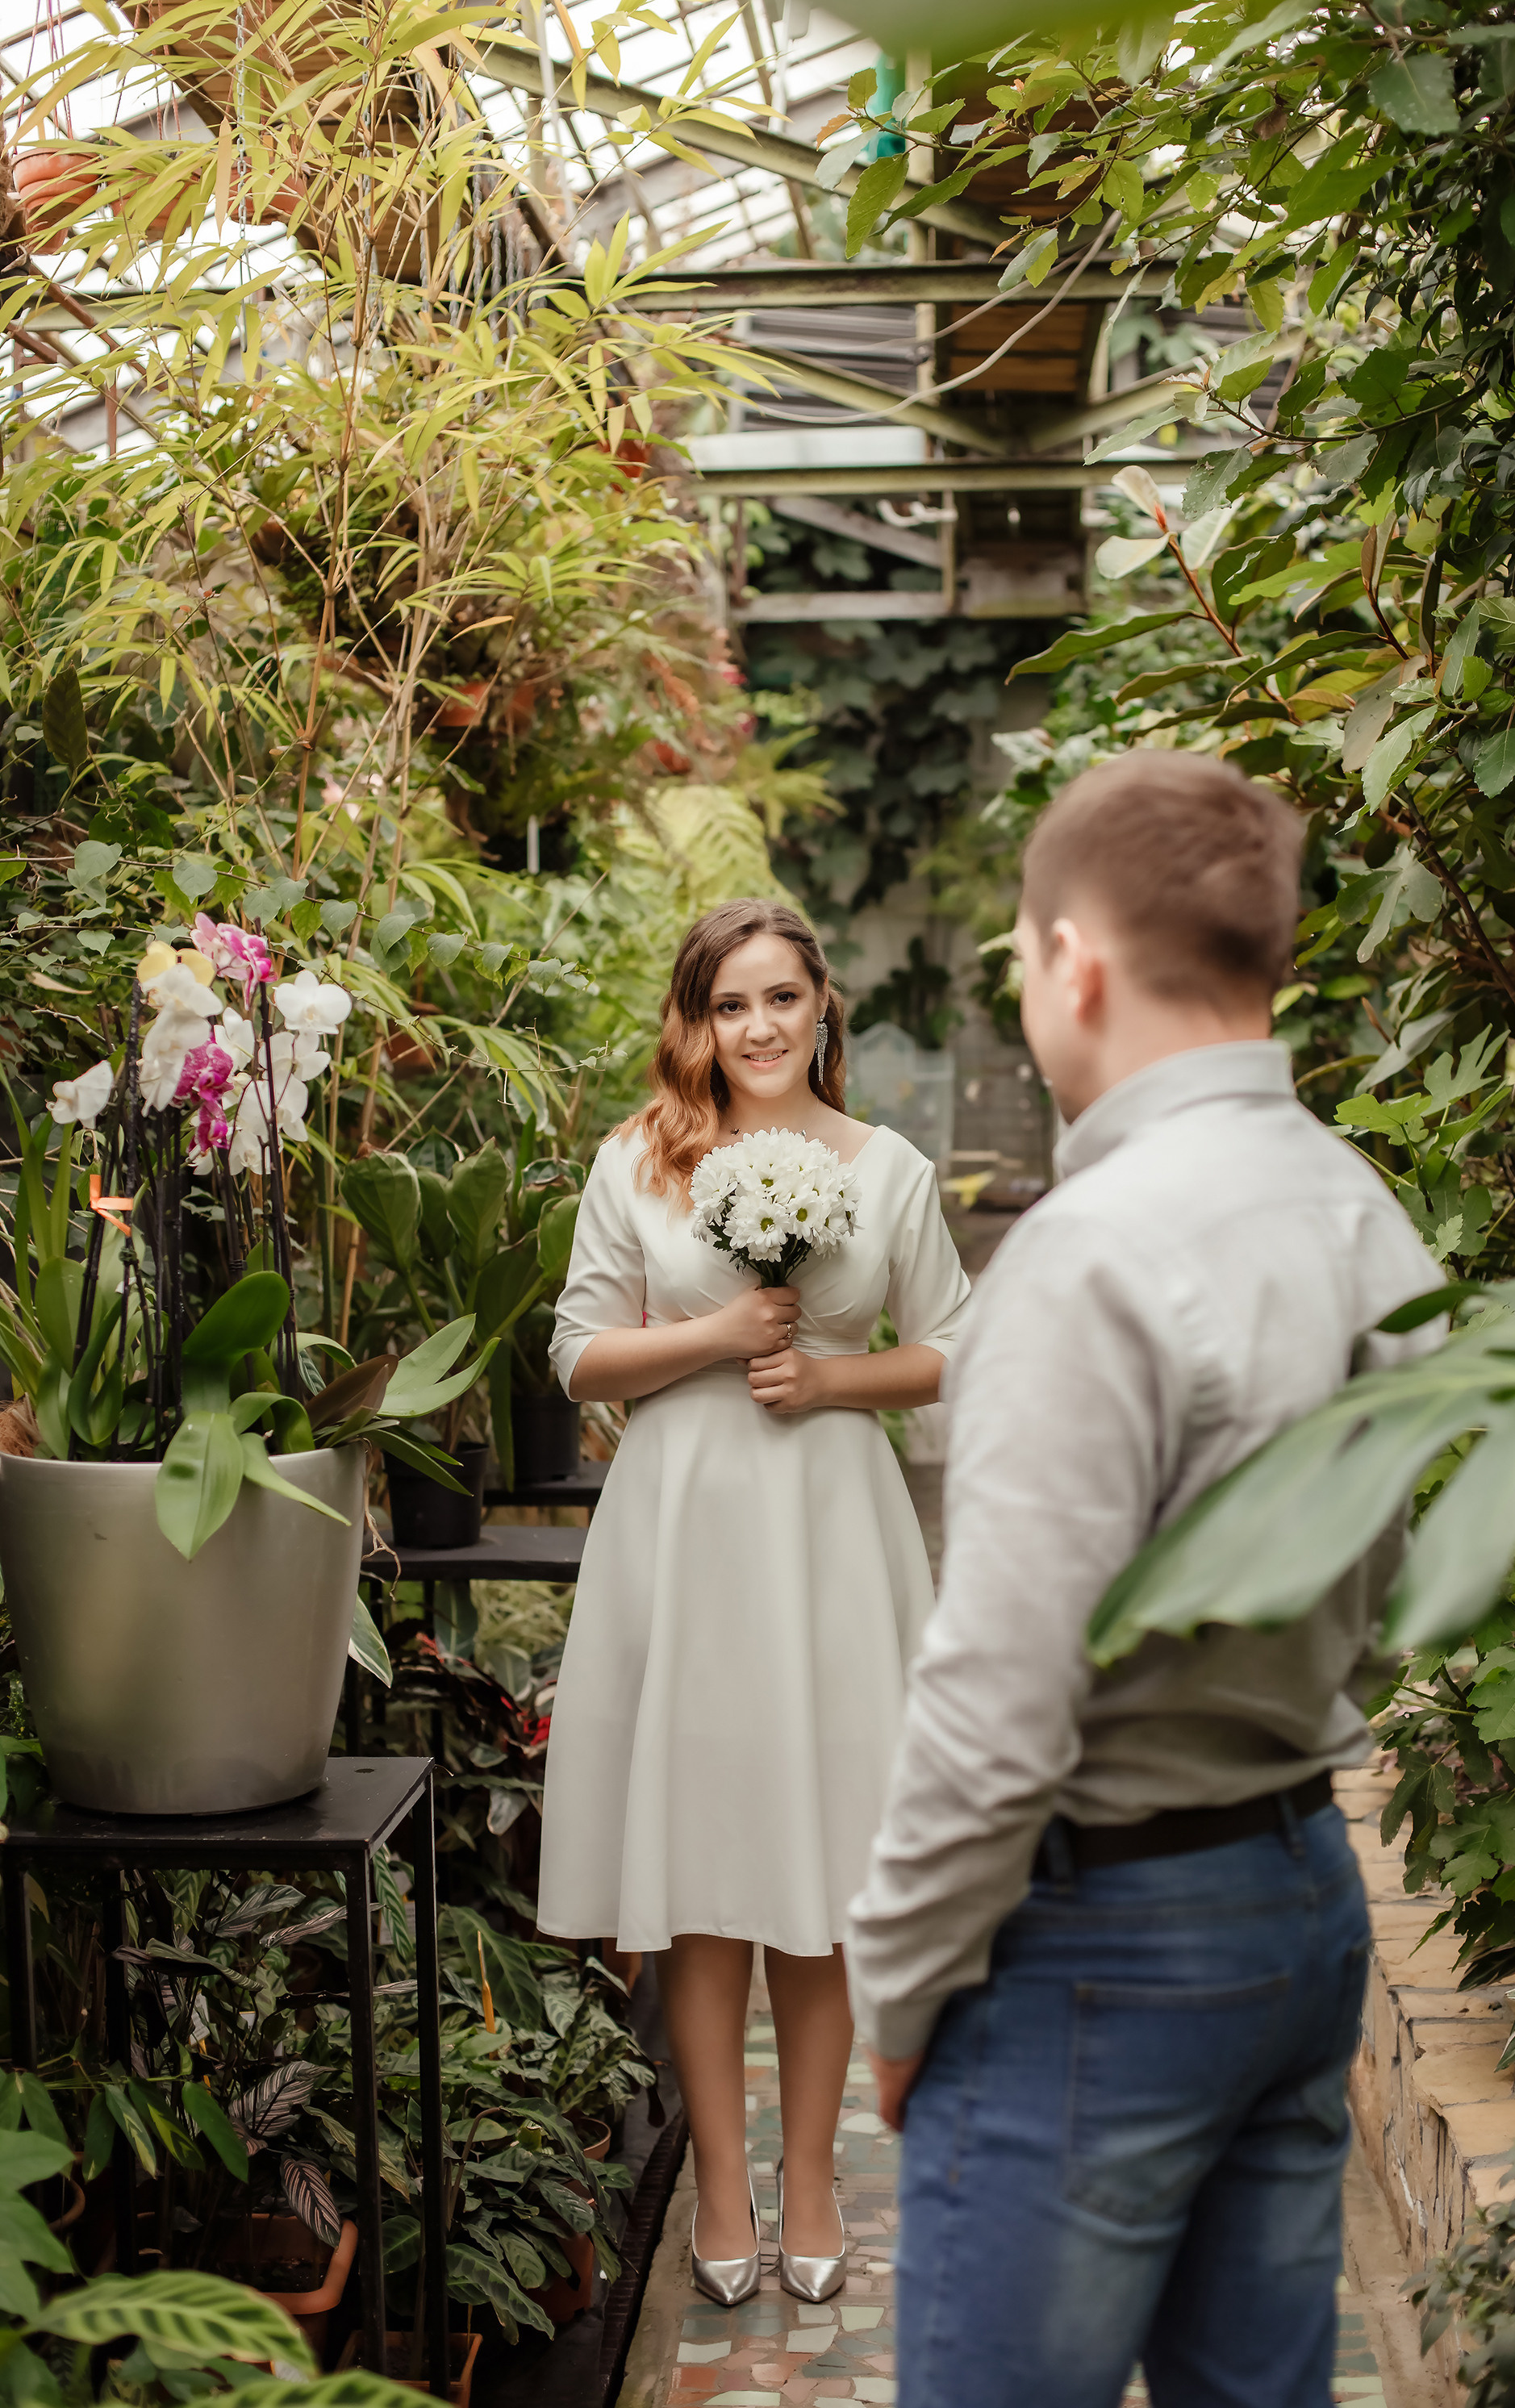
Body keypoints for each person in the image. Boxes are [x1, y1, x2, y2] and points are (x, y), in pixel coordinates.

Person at [845, 754, 1442, 2407]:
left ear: (1071, 960)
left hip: (1095, 1934)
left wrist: (901, 1981)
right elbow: (1391, 1604)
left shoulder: (1087, 1250)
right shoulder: (1360, 1209)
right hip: (1296, 1890)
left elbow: (996, 1704)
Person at [540, 896, 970, 2310]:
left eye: (781, 996)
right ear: (698, 1022)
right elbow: (576, 1354)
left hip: (830, 1540)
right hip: (682, 1537)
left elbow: (959, 1347)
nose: (760, 1025)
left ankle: (811, 2176)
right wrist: (718, 1334)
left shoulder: (889, 1168)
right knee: (702, 1870)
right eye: (730, 1003)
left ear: (821, 1005)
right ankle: (721, 2182)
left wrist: (834, 1377)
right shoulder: (637, 1158)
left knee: (822, 1873)